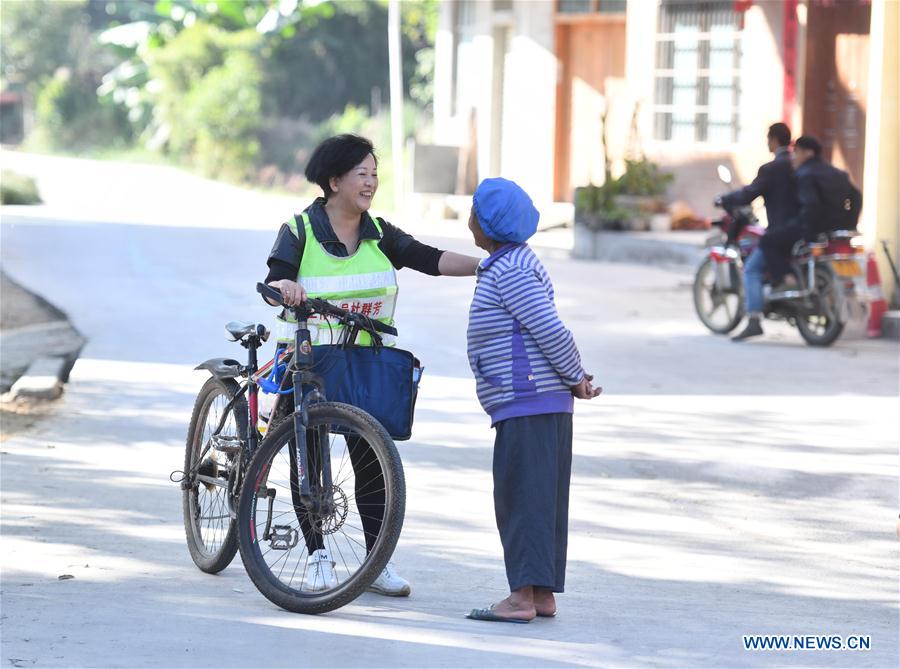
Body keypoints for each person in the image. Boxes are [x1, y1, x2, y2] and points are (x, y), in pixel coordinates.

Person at [263, 134, 480, 596]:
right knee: (311, 458)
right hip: (310, 361)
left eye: (374, 173)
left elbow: (430, 258)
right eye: (361, 173)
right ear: (334, 180)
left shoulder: (380, 234)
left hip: (364, 363)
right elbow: (274, 278)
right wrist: (288, 286)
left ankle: (375, 561)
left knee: (372, 461)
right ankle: (317, 553)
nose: (371, 182)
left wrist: (490, 264)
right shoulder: (300, 230)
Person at [463, 178, 601, 624]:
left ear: (487, 224)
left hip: (530, 400)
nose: (468, 219)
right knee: (540, 498)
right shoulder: (510, 263)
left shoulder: (510, 270)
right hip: (534, 402)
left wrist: (575, 376)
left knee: (521, 498)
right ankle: (541, 593)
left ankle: (521, 597)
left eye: (473, 212)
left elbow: (550, 330)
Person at [724, 122, 802, 342]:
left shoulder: (772, 168)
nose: (767, 143)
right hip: (804, 228)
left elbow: (750, 192)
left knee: (751, 270)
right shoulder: (799, 164)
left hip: (781, 231)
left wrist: (727, 199)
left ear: (775, 139)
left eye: (768, 139)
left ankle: (754, 320)